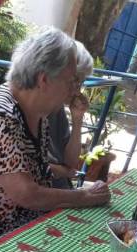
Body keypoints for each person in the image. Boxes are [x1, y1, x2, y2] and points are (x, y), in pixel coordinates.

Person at [0, 27, 110, 240]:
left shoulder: (36, 115)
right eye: (71, 82)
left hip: (20, 227)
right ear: (44, 80)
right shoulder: (0, 117)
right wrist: (84, 195)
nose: (75, 91)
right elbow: (27, 193)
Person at [47, 41, 92, 189]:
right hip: (45, 199)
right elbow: (29, 171)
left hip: (59, 190)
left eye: (81, 83)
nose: (78, 91)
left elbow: (71, 162)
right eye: (75, 81)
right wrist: (63, 171)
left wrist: (77, 118)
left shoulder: (57, 109)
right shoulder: (28, 109)